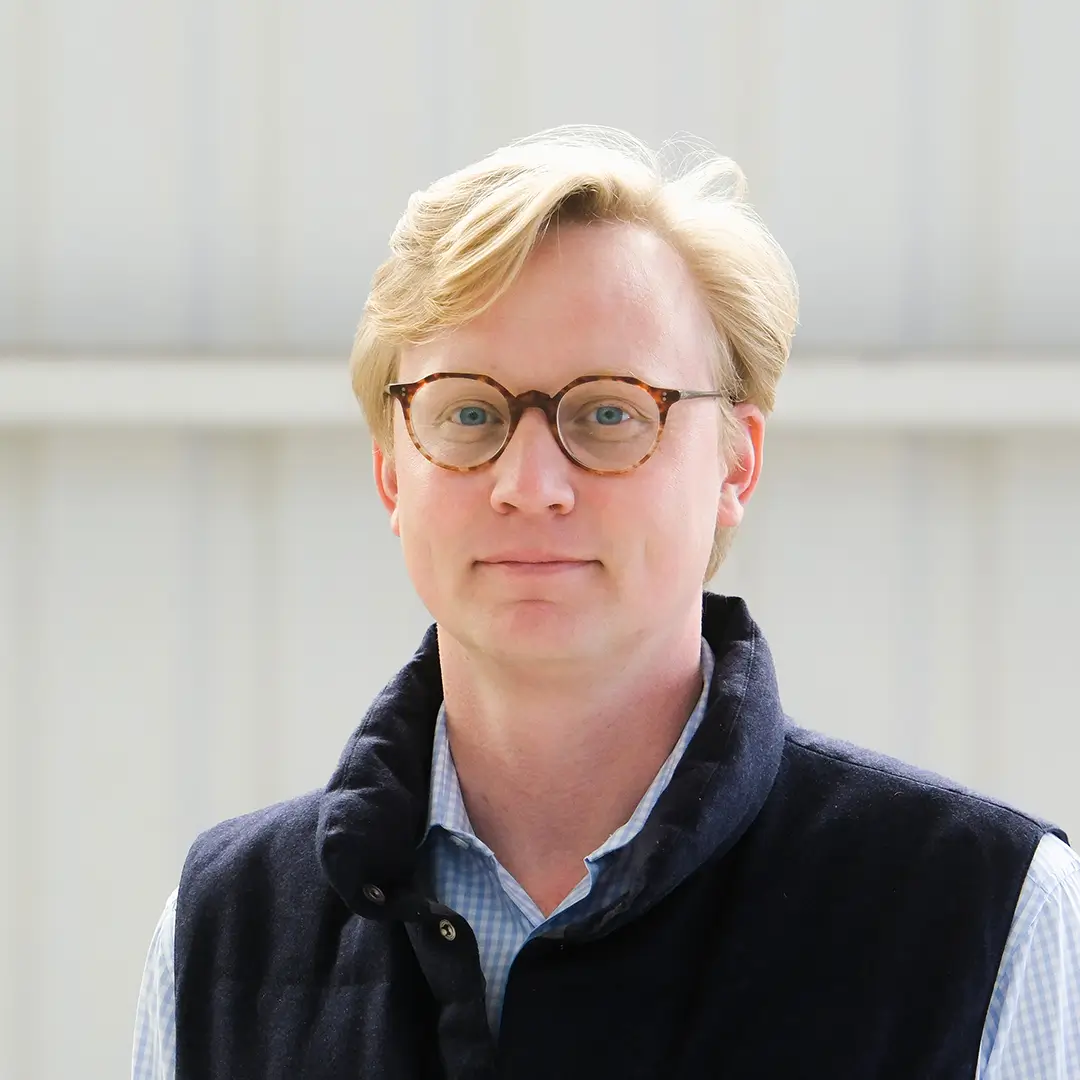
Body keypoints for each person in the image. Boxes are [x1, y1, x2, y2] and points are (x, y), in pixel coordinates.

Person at [133, 127, 1080, 1079]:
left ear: (736, 465)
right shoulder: (223, 935)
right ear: (391, 472)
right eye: (469, 413)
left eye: (610, 412)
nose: (529, 484)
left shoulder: (987, 920)